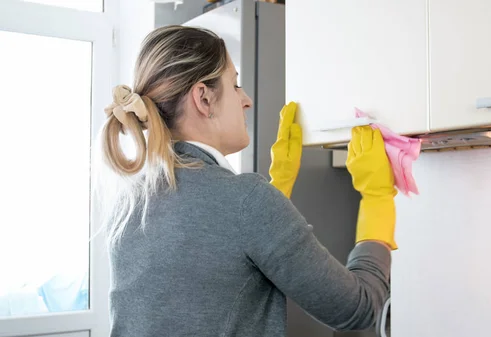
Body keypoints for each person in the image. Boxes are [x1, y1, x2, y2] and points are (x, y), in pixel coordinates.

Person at [96, 25, 398, 337]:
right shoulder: (245, 202)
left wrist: (275, 187)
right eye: (235, 84)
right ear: (203, 98)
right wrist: (377, 199)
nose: (247, 100)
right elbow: (357, 308)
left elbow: (217, 269)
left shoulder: (130, 202)